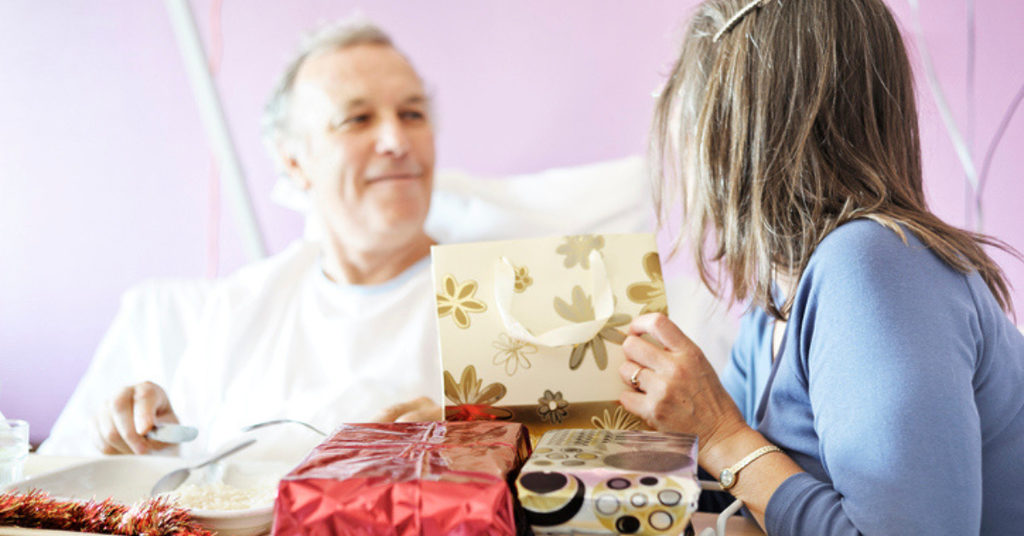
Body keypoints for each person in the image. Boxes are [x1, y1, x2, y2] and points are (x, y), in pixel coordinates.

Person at [617, 0, 1024, 534]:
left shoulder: (874, 267)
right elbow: (736, 495)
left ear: (730, 127)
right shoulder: (775, 300)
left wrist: (719, 433)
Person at [41, 20, 443, 460]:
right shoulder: (244, 306)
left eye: (412, 114)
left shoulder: (490, 305)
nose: (396, 140)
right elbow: (193, 472)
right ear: (293, 160)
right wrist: (152, 441)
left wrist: (471, 440)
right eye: (357, 118)